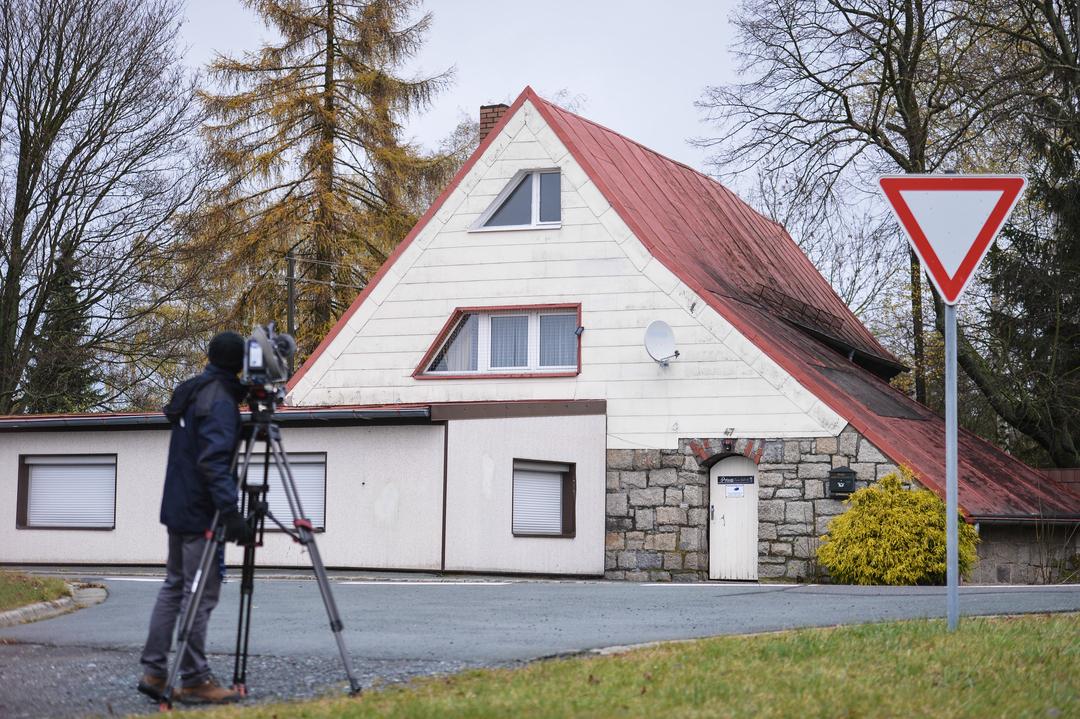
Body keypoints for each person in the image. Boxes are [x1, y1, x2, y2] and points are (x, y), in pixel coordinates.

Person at [137, 331, 252, 705]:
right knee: (198, 593)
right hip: (202, 513)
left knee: (174, 586)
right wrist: (231, 511)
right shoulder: (219, 402)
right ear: (240, 364)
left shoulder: (195, 391)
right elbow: (214, 461)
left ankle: (154, 671)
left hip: (178, 507)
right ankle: (194, 679)